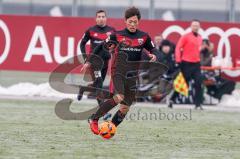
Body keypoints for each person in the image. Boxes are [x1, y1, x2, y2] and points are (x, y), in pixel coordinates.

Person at [85, 7, 158, 135]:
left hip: (132, 74)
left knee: (125, 107)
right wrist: (89, 61)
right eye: (130, 21)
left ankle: (110, 128)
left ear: (138, 22)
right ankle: (94, 118)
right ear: (125, 21)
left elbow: (153, 49)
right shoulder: (116, 35)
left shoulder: (144, 37)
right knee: (119, 97)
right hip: (118, 71)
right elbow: (100, 47)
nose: (133, 24)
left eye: (135, 22)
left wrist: (153, 55)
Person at [78, 10, 115, 104]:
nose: (101, 19)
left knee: (97, 85)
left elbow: (116, 44)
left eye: (103, 17)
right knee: (99, 85)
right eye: (99, 17)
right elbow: (82, 44)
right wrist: (86, 58)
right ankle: (102, 110)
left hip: (106, 62)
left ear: (106, 18)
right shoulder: (90, 30)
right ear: (96, 18)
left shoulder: (112, 31)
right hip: (94, 62)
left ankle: (83, 88)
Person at [174, 19, 204, 110]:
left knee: (199, 83)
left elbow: (197, 51)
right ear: (191, 27)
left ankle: (198, 104)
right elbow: (178, 48)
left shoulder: (200, 37)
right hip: (186, 63)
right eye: (194, 25)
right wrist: (178, 60)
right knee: (184, 84)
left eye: (197, 26)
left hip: (196, 64)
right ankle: (172, 99)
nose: (195, 27)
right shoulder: (185, 36)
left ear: (199, 27)